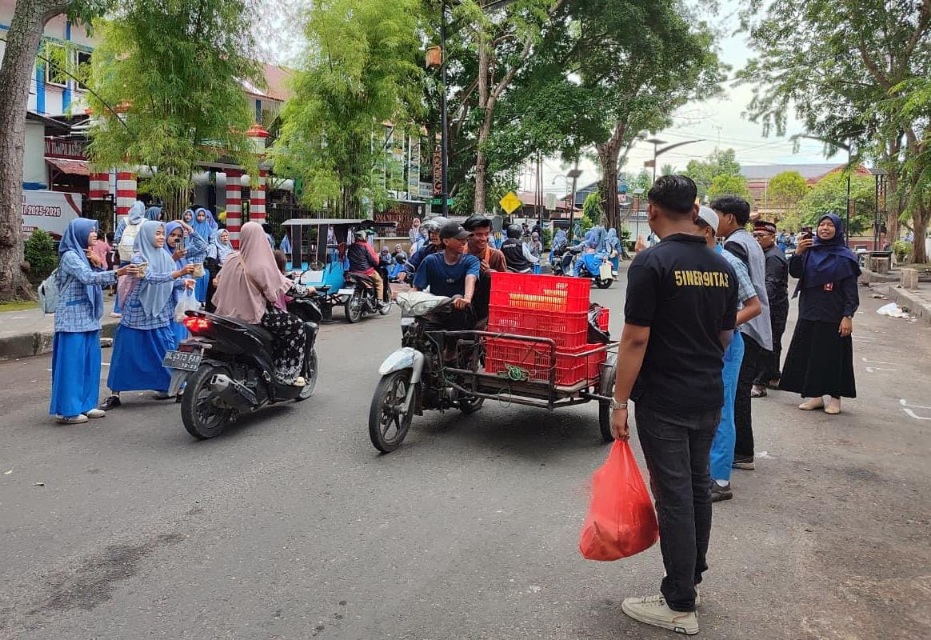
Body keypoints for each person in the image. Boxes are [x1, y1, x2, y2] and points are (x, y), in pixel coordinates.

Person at [609, 176, 737, 635]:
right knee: (697, 488)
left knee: (675, 496)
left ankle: (680, 603)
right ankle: (691, 579)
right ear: (696, 209)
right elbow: (725, 334)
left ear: (654, 210)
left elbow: (636, 338)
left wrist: (619, 401)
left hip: (664, 398)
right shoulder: (720, 266)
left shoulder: (652, 262)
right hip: (707, 393)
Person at [695, 208, 762, 503]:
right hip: (698, 345)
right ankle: (702, 469)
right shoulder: (692, 261)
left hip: (727, 344)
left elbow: (754, 306)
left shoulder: (730, 262)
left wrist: (722, 323)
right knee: (700, 408)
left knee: (721, 410)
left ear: (708, 230)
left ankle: (720, 479)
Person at [101, 221, 196, 409]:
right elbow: (151, 277)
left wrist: (183, 282)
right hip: (137, 312)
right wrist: (179, 273)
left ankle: (179, 388)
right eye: (157, 234)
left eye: (162, 233)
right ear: (147, 235)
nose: (161, 237)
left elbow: (167, 282)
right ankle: (115, 393)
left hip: (160, 312)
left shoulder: (166, 257)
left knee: (167, 349)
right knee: (125, 353)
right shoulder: (138, 258)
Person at [50, 219, 136, 424]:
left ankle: (87, 404)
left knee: (91, 362)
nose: (95, 233)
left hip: (89, 316)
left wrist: (98, 263)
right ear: (78, 232)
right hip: (71, 319)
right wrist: (119, 272)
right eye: (90, 230)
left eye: (95, 230)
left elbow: (99, 278)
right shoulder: (70, 256)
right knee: (72, 365)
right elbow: (87, 278)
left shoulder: (85, 254)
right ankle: (68, 410)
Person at [712, 196, 772, 471]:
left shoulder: (734, 246)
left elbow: (735, 288)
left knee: (733, 395)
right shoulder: (748, 240)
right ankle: (740, 450)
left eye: (716, 215)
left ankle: (740, 452)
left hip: (742, 325)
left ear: (729, 218)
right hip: (751, 323)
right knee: (738, 392)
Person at [212, 222, 313, 385]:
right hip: (254, 315)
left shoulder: (230, 259)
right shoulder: (262, 264)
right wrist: (308, 291)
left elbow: (217, 281)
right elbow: (283, 287)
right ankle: (286, 374)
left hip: (225, 314)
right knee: (296, 326)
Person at [780, 214, 860, 414]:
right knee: (810, 355)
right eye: (822, 224)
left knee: (834, 356)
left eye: (830, 225)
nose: (825, 228)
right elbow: (796, 274)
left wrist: (847, 315)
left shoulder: (845, 256)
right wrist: (798, 253)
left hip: (834, 313)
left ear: (838, 229)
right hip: (809, 310)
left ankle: (835, 398)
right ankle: (815, 396)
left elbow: (851, 289)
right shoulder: (809, 251)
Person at [413, 222, 480, 332]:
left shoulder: (471, 261)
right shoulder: (430, 261)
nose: (464, 241)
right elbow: (417, 288)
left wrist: (466, 298)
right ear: (446, 241)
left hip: (462, 314)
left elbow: (470, 278)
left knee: (457, 298)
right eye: (460, 238)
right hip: (436, 312)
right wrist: (404, 297)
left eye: (465, 239)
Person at [751, 221, 789, 396]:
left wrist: (759, 306)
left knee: (767, 343)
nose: (757, 239)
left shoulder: (772, 257)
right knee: (773, 342)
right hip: (774, 304)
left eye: (761, 236)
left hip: (773, 306)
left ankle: (760, 383)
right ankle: (774, 376)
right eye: (755, 236)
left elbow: (770, 286)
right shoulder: (763, 253)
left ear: (773, 237)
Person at [112, 200, 147, 317]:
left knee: (122, 284)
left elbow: (117, 238)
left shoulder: (124, 221)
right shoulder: (145, 222)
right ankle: (132, 308)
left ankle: (118, 309)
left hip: (124, 258)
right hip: (140, 259)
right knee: (136, 285)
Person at [398, 217, 447, 282]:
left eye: (437, 232)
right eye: (431, 232)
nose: (433, 235)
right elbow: (412, 263)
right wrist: (405, 271)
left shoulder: (452, 252)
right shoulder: (426, 250)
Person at [347, 229, 386, 307]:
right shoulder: (366, 246)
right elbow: (375, 261)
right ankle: (380, 300)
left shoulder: (351, 246)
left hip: (353, 271)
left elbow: (348, 256)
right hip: (366, 271)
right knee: (379, 281)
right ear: (364, 237)